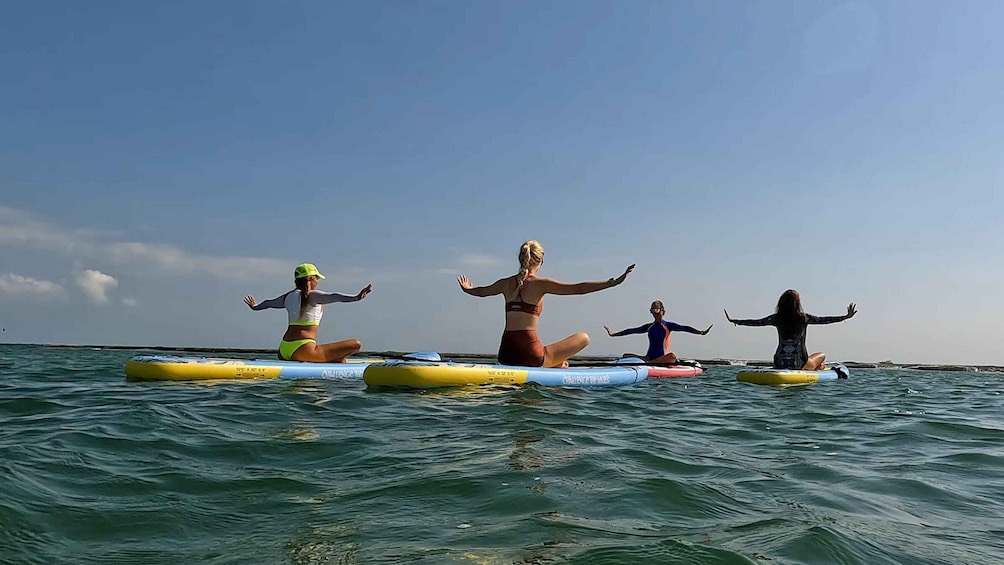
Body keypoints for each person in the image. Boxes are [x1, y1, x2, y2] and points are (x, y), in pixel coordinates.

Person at [458, 240, 634, 368]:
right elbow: (579, 288)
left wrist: (467, 289)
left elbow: (481, 292)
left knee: (558, 361)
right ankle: (553, 364)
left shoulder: (505, 283)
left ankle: (555, 364)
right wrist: (613, 282)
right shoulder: (539, 284)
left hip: (505, 354)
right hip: (530, 355)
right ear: (540, 261)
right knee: (584, 337)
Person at [244, 262, 372, 362]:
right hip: (304, 349)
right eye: (317, 278)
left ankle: (332, 359)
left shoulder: (288, 296)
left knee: (340, 359)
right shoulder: (313, 296)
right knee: (356, 344)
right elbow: (335, 296)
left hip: (283, 350)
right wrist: (356, 297)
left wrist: (254, 306)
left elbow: (268, 303)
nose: (318, 281)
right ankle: (332, 360)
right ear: (310, 279)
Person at [724, 289, 856, 370]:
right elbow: (825, 320)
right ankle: (817, 367)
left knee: (813, 360)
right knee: (822, 355)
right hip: (800, 364)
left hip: (779, 363)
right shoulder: (803, 318)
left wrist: (734, 321)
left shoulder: (776, 319)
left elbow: (755, 322)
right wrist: (846, 317)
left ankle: (816, 367)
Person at [603, 300, 712, 363]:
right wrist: (613, 334)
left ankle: (649, 364)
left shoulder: (668, 326)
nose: (654, 313)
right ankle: (649, 362)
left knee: (672, 356)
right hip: (649, 358)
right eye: (652, 311)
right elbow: (632, 330)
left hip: (663, 358)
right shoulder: (649, 326)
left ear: (662, 310)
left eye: (656, 310)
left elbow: (685, 328)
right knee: (625, 355)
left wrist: (701, 332)